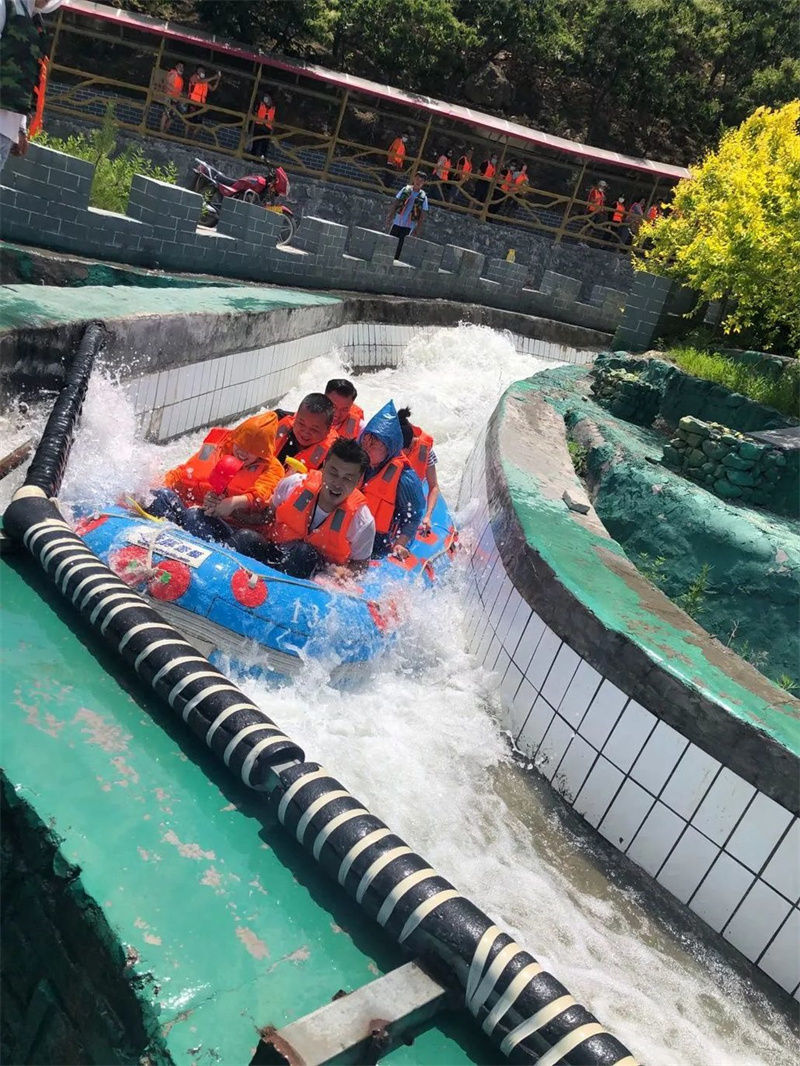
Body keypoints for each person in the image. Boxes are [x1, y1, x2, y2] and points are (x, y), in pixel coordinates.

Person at [238, 438, 376, 578]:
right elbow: (266, 517)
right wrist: (232, 510)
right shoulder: (294, 485)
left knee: (304, 552)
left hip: (315, 576)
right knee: (246, 537)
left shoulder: (362, 522)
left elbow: (361, 566)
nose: (337, 484)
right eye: (333, 473)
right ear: (324, 466)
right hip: (276, 552)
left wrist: (345, 574)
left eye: (347, 479)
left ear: (358, 482)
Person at [147, 410, 285, 544]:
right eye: (240, 445)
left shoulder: (272, 468)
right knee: (159, 495)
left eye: (251, 451)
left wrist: (232, 503)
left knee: (195, 517)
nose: (242, 452)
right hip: (197, 511)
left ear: (262, 453)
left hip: (232, 530)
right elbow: (183, 472)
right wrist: (158, 483)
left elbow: (262, 496)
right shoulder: (217, 448)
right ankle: (156, 539)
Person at [0, 0, 63, 173]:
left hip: (7, 129)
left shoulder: (35, 22)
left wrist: (21, 127)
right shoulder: (5, 6)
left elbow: (26, 78)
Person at [360, 401, 424, 560]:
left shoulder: (404, 478)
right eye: (365, 441)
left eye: (373, 444)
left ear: (390, 447)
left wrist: (400, 544)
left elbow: (413, 517)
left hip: (377, 542)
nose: (366, 448)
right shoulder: (352, 463)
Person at [398, 406, 439, 535]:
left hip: (410, 497)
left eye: (406, 449)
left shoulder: (425, 450)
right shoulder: (381, 448)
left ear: (412, 442)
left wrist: (428, 515)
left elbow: (433, 487)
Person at [274, 393, 337, 470]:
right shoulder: (276, 421)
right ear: (296, 417)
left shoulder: (333, 456)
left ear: (328, 430)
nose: (305, 432)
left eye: (314, 429)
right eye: (301, 423)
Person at [386, 171, 428, 262]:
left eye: (421, 180)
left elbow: (422, 214)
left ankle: (395, 261)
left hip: (409, 225)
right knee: (391, 241)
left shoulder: (423, 197)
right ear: (414, 179)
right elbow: (396, 203)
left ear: (423, 183)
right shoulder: (405, 189)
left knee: (401, 245)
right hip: (398, 221)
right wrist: (390, 216)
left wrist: (418, 228)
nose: (418, 182)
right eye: (417, 179)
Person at [186, 66, 221, 132]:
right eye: (200, 70)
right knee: (189, 121)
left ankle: (192, 139)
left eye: (203, 71)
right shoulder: (194, 77)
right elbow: (200, 81)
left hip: (201, 104)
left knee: (199, 124)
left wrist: (217, 79)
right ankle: (185, 137)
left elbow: (212, 88)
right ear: (197, 71)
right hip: (193, 102)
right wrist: (213, 77)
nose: (202, 72)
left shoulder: (205, 81)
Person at [159, 60, 185, 134]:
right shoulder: (174, 74)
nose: (181, 68)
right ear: (176, 67)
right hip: (170, 96)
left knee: (173, 116)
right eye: (180, 66)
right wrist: (178, 92)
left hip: (175, 99)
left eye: (183, 67)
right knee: (166, 114)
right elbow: (168, 85)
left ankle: (164, 132)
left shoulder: (180, 77)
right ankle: (161, 132)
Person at [250, 91, 275, 159]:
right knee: (256, 143)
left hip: (267, 128)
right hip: (259, 126)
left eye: (267, 97)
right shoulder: (260, 105)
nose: (266, 98)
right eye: (265, 97)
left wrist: (272, 132)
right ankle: (252, 157)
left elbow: (274, 120)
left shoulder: (274, 108)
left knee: (264, 146)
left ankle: (262, 159)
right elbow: (254, 114)